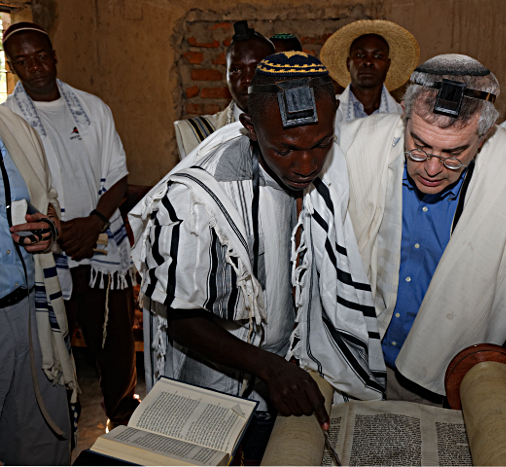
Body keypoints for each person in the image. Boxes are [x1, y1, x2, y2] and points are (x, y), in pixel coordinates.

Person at [129, 52, 385, 461]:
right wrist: (268, 367)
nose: (306, 165)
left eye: (320, 144)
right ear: (249, 127)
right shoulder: (196, 199)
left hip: (282, 369)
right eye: (285, 149)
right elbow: (182, 320)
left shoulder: (325, 168)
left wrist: (280, 365)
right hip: (215, 382)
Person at [337, 54, 506, 405]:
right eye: (419, 146)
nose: (432, 168)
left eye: (454, 153)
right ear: (403, 114)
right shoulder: (354, 146)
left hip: (453, 373)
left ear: (484, 137)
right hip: (356, 359)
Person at [2, 22, 137, 429]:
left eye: (41, 56)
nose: (35, 67)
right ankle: (65, 429)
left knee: (114, 347)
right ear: (10, 67)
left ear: (54, 55)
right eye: (21, 61)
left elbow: (118, 174)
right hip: (48, 255)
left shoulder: (93, 108)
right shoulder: (7, 122)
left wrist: (94, 222)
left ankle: (124, 429)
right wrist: (61, 232)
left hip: (100, 246)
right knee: (55, 348)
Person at [0, 101, 76, 464]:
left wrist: (49, 228)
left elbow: (48, 204)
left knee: (41, 447)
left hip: (31, 312)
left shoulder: (14, 128)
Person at [173, 20, 275, 159]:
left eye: (257, 68)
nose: (247, 79)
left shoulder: (297, 131)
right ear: (226, 76)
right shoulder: (196, 135)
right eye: (236, 69)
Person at [320, 20, 419, 129]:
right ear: (348, 63)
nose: (368, 62)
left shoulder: (404, 116)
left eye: (377, 56)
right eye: (360, 54)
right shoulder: (327, 111)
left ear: (388, 65)